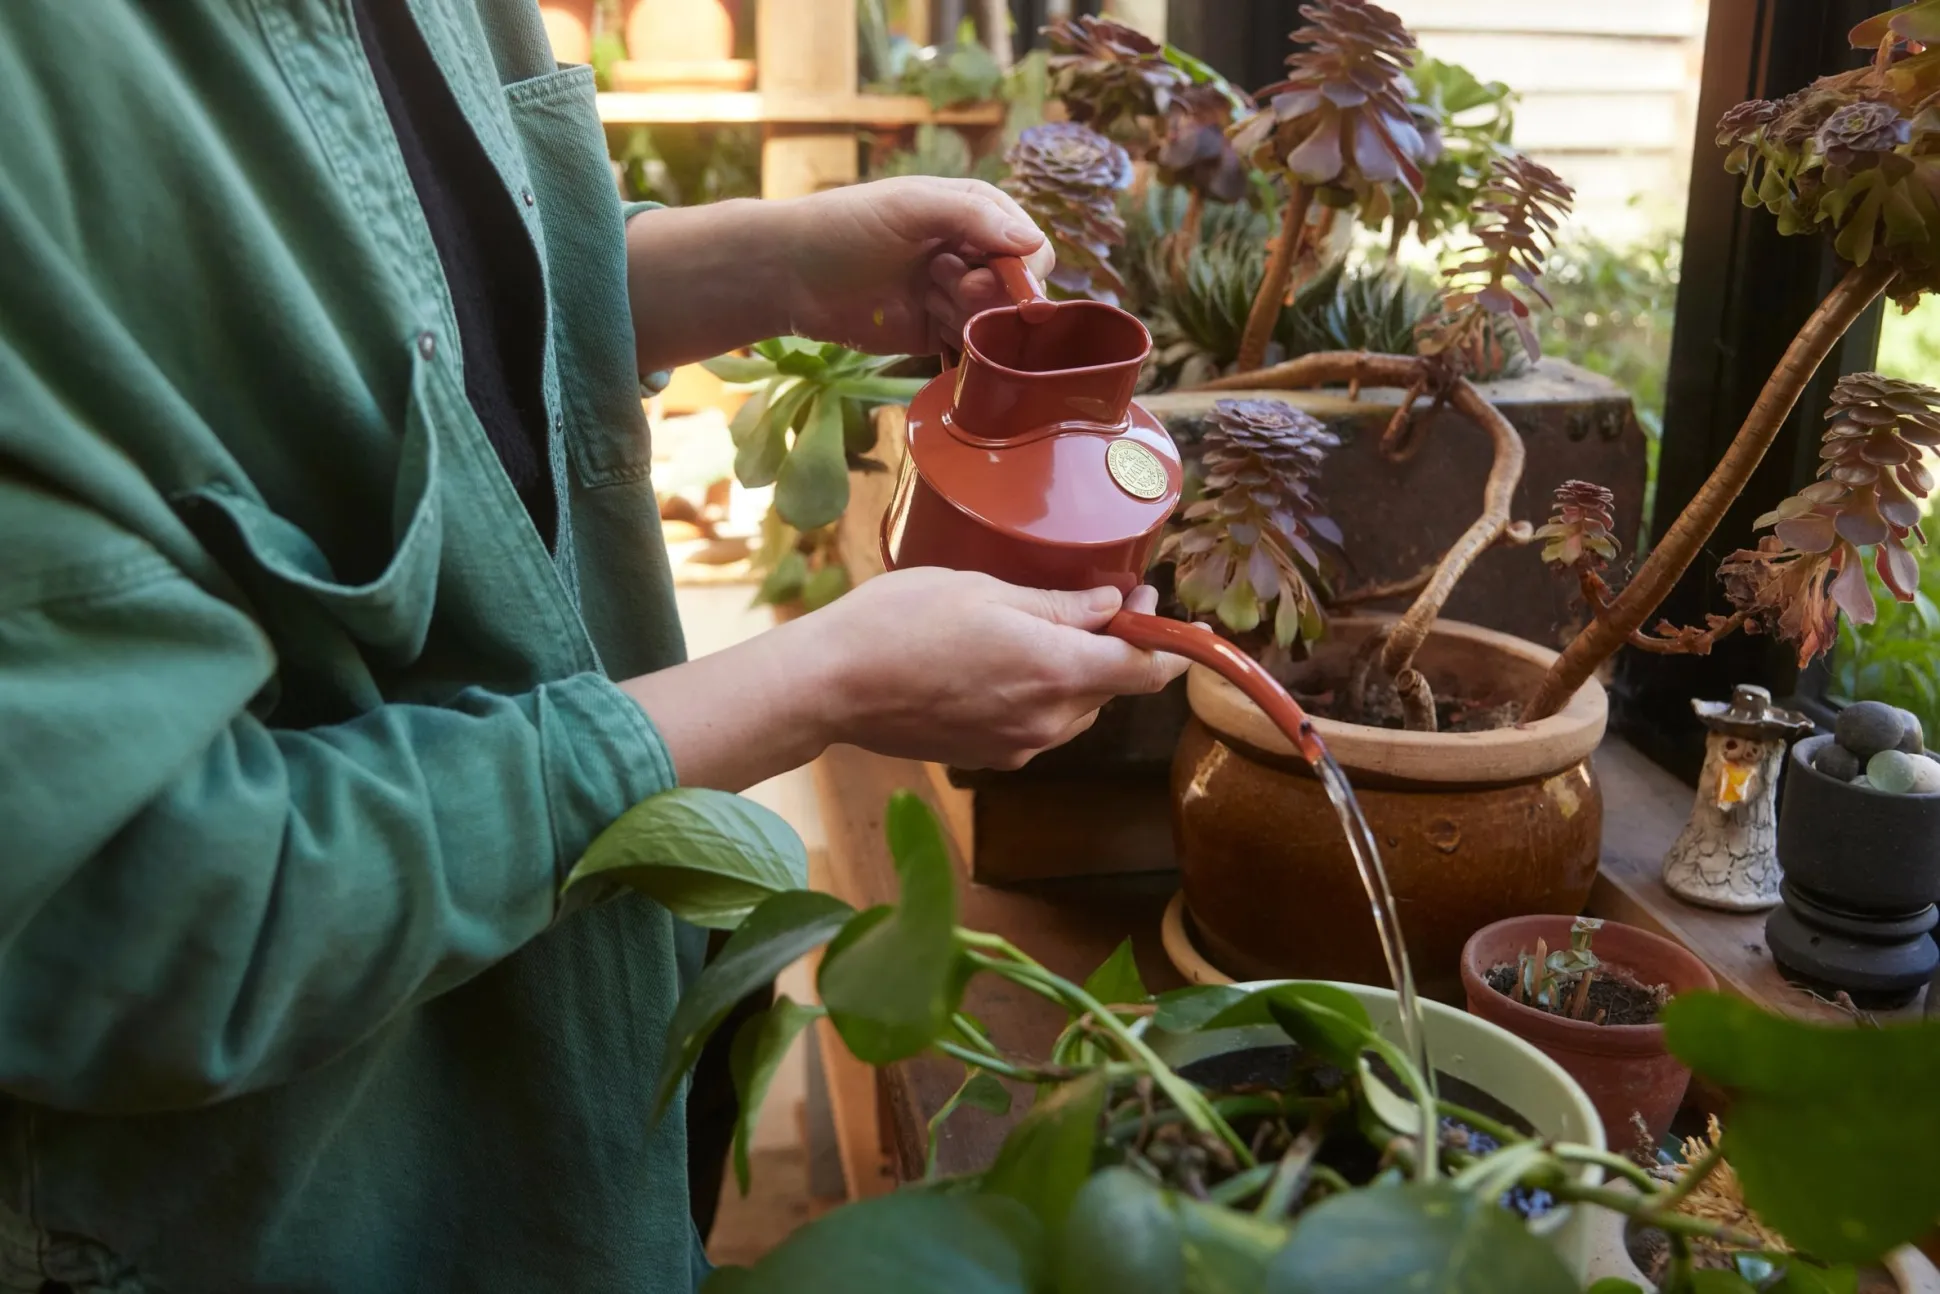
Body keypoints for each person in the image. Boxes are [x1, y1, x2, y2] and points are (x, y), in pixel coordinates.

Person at [0, 3, 1184, 1291]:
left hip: (585, 1060)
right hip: (306, 1194)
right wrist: (821, 680)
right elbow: (130, 917)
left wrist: (773, 267)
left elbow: (429, 287)